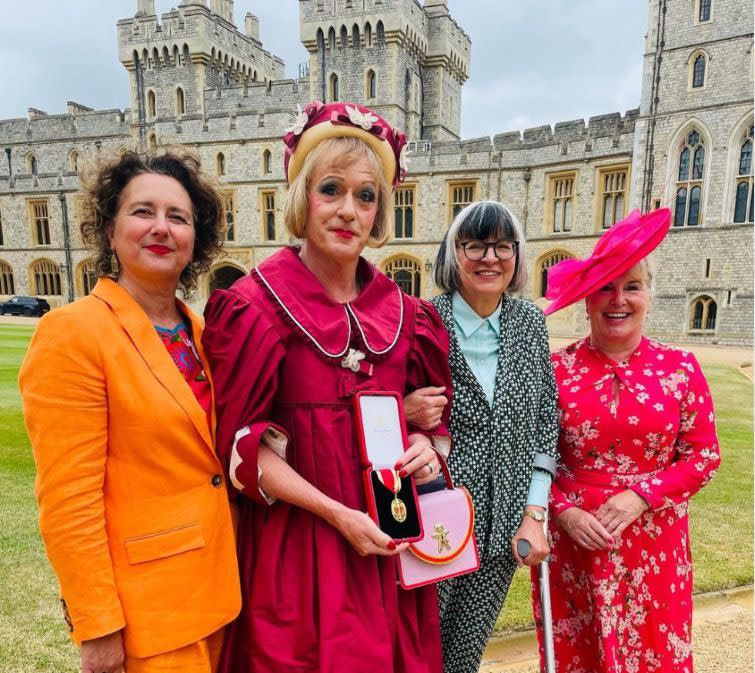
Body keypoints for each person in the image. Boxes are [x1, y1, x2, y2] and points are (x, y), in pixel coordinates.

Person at [201, 100, 453, 673]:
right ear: (301, 198)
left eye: (367, 196)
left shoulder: (408, 314)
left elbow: (435, 429)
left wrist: (426, 450)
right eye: (331, 189)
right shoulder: (254, 308)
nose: (348, 211)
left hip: (388, 548)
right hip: (299, 554)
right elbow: (241, 447)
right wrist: (338, 515)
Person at [19, 149, 241, 673]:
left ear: (196, 237)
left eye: (178, 217)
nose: (161, 228)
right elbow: (68, 501)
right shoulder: (73, 332)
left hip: (226, 598)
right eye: (143, 212)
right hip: (149, 620)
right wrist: (97, 628)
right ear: (110, 229)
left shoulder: (206, 334)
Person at [536, 208, 721, 673]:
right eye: (605, 287)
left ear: (649, 296)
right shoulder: (556, 370)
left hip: (655, 545)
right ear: (586, 298)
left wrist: (642, 496)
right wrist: (565, 511)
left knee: (654, 655)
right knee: (580, 654)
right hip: (577, 545)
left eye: (632, 286)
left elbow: (704, 455)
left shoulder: (681, 369)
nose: (618, 299)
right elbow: (532, 456)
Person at [404, 200, 559, 673]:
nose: (489, 258)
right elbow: (377, 406)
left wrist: (534, 514)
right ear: (454, 253)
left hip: (503, 526)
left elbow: (544, 425)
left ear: (516, 255)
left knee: (464, 657)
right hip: (435, 519)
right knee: (414, 649)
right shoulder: (420, 319)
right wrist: (405, 410)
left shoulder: (530, 324)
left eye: (502, 246)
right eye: (475, 245)